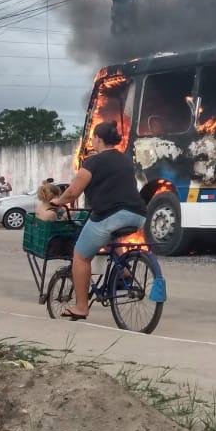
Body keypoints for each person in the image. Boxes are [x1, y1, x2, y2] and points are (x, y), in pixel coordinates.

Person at [53, 121, 145, 320]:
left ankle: (81, 307)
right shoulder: (125, 160)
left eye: (93, 138)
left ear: (98, 139)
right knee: (111, 236)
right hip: (138, 214)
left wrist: (58, 201)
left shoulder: (93, 162)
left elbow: (73, 192)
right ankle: (124, 271)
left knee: (81, 256)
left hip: (110, 215)